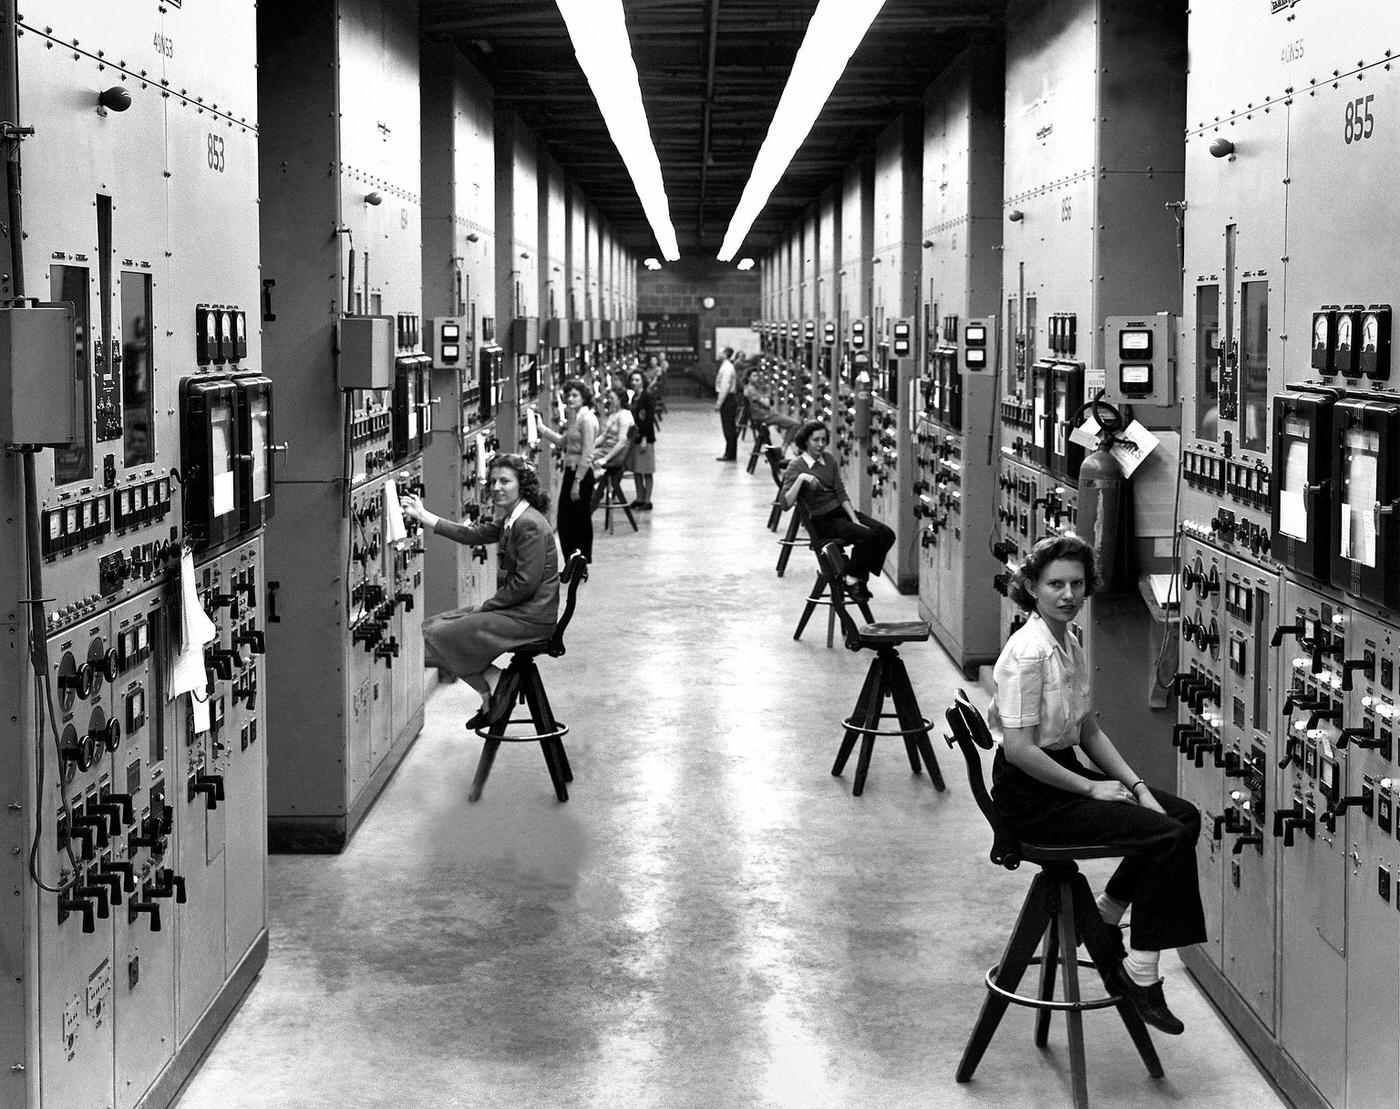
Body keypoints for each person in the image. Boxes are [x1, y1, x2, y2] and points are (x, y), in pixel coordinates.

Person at [989, 533, 1205, 1036]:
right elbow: (1020, 750)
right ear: (1033, 588)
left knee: (1181, 816)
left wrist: (1136, 785)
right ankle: (1142, 972)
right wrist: (1091, 790)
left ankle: (1107, 910)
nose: (1068, 595)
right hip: (1033, 795)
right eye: (1055, 584)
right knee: (1166, 837)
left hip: (1061, 770)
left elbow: (1088, 729)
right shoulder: (1027, 652)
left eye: (1077, 584)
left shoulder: (1069, 642)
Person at [401, 454, 560, 730]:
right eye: (493, 481)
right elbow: (472, 534)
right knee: (434, 626)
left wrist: (489, 606)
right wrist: (424, 516)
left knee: (439, 633)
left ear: (522, 485)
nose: (496, 487)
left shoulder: (529, 524)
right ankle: (491, 687)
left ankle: (492, 689)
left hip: (531, 617)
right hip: (521, 610)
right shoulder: (514, 518)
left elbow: (525, 584)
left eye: (505, 481)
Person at [780, 420, 894, 603]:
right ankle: (854, 580)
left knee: (886, 534)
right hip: (823, 520)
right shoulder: (797, 466)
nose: (820, 444)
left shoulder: (830, 459)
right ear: (805, 441)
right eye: (815, 440)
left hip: (840, 511)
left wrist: (854, 518)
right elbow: (785, 504)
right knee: (868, 537)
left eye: (824, 439)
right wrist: (801, 479)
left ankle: (855, 577)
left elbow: (840, 493)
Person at [536, 378, 598, 562]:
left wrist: (577, 482)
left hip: (581, 474)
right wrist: (542, 429)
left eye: (574, 395)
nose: (570, 399)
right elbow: (563, 442)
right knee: (568, 520)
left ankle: (580, 561)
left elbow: (587, 453)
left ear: (584, 397)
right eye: (568, 395)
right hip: (573, 472)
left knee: (576, 520)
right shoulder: (577, 418)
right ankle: (574, 561)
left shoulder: (587, 420)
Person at [590, 385, 636, 510]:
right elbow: (603, 437)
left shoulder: (624, 416)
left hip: (615, 454)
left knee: (582, 461)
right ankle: (592, 491)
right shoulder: (614, 414)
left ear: (620, 399)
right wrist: (589, 446)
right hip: (606, 449)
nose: (609, 401)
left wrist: (605, 459)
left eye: (612, 398)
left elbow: (622, 442)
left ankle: (592, 493)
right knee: (583, 456)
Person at [743, 367, 802, 447]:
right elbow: (767, 403)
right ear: (748, 378)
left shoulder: (753, 388)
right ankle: (783, 449)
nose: (757, 378)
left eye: (757, 376)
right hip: (763, 416)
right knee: (795, 424)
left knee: (792, 422)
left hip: (766, 414)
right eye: (754, 376)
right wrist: (766, 398)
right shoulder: (751, 389)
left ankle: (784, 446)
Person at [627, 368, 657, 509]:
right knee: (637, 470)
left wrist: (645, 437)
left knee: (647, 470)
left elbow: (649, 418)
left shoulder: (648, 396)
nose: (635, 383)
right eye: (633, 380)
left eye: (637, 380)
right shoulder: (634, 397)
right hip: (635, 437)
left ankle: (647, 500)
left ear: (643, 381)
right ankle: (639, 498)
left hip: (646, 437)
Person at [714, 346, 738, 461]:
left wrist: (719, 403)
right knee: (728, 426)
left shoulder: (727, 368)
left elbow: (725, 386)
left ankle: (730, 453)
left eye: (720, 352)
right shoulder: (726, 366)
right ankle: (729, 452)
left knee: (729, 427)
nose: (718, 353)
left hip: (727, 399)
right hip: (727, 398)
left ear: (726, 354)